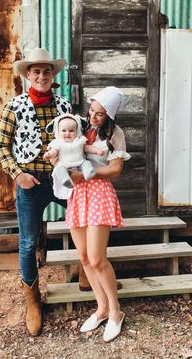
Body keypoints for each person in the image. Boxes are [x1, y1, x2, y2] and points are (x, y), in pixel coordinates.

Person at [0, 48, 72, 336]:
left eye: (46, 71)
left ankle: (91, 272)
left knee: (86, 220)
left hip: (61, 178)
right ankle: (33, 301)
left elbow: (73, 141)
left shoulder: (64, 106)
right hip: (30, 182)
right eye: (36, 71)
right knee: (27, 243)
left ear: (53, 75)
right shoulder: (13, 107)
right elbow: (0, 146)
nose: (41, 76)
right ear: (28, 75)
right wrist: (19, 174)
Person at [65, 86, 131, 342]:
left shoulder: (116, 134)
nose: (93, 117)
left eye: (100, 114)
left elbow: (115, 170)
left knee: (97, 257)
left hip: (99, 193)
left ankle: (116, 312)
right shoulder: (81, 128)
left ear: (110, 116)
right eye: (92, 111)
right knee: (83, 257)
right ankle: (101, 307)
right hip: (78, 194)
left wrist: (86, 175)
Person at [43, 113, 104, 197]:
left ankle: (89, 173)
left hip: (79, 164)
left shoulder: (78, 142)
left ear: (77, 131)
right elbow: (54, 151)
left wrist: (97, 151)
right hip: (65, 166)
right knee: (58, 170)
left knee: (86, 163)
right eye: (64, 131)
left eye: (71, 131)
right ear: (58, 131)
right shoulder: (58, 143)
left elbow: (87, 148)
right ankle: (65, 180)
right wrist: (49, 155)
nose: (67, 133)